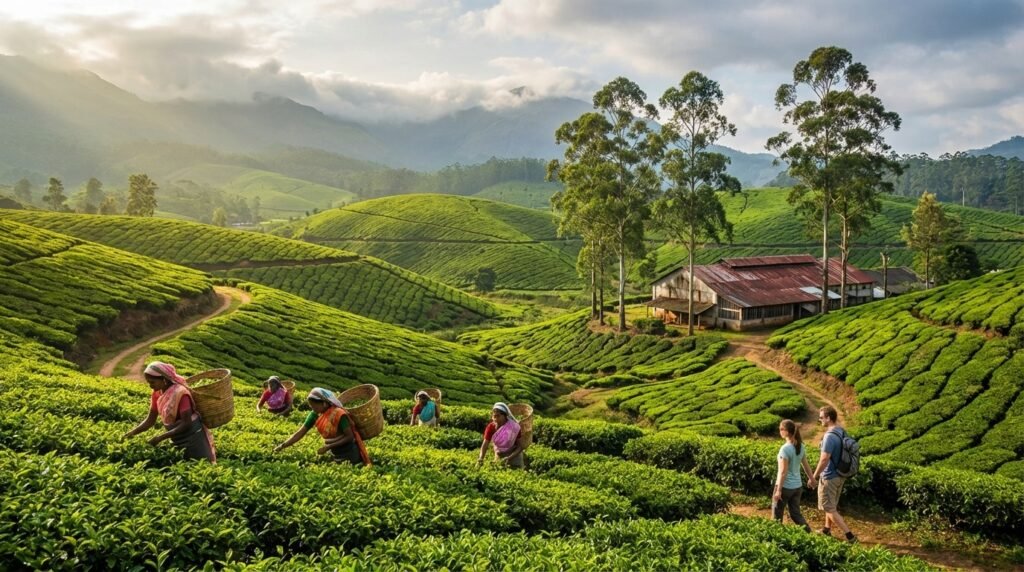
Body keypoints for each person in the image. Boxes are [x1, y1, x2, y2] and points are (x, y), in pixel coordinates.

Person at [122, 361, 216, 463]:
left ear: (164, 379)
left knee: (202, 464)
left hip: (193, 436)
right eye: (148, 382)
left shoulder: (180, 393)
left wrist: (160, 438)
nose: (150, 386)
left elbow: (187, 423)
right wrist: (131, 433)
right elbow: (150, 420)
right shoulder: (157, 393)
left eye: (152, 382)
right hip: (176, 437)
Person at [273, 387, 370, 466]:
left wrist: (328, 446)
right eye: (311, 407)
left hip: (349, 453)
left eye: (315, 406)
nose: (313, 409)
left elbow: (349, 436)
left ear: (324, 403)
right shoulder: (314, 415)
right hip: (335, 452)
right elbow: (300, 433)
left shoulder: (339, 414)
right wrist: (282, 446)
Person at [811, 405, 856, 542]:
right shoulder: (841, 431)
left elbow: (824, 459)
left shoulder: (829, 436)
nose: (820, 420)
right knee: (831, 505)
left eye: (821, 417)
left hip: (829, 476)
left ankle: (850, 536)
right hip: (840, 474)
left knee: (828, 507)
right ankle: (826, 529)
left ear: (828, 418)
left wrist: (814, 476)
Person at [773, 419, 814, 533]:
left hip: (785, 487)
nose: (780, 431)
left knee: (777, 515)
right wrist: (811, 479)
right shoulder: (800, 446)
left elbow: (783, 472)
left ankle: (776, 536)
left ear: (787, 431)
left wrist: (778, 490)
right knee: (795, 514)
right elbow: (806, 465)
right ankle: (808, 532)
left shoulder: (785, 449)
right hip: (797, 487)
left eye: (781, 429)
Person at [476, 402, 525, 468]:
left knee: (516, 471)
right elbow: (485, 444)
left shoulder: (513, 427)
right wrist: (480, 459)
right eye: (494, 416)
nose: (495, 419)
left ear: (504, 416)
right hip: (500, 454)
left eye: (498, 416)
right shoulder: (491, 427)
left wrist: (509, 458)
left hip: (514, 455)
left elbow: (520, 447)